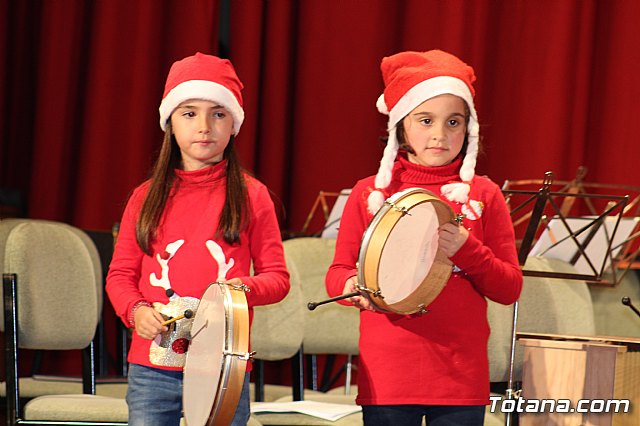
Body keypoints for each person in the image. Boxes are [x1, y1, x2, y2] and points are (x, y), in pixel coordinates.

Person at [325, 49, 523, 425]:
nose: (440, 134)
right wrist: (357, 287)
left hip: (460, 378)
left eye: (454, 122)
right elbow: (337, 273)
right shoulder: (370, 193)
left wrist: (467, 250)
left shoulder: (485, 194)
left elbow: (510, 287)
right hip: (388, 376)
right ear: (401, 125)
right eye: (426, 120)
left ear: (469, 128)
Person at [106, 52, 290, 426]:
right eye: (189, 113)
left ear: (234, 124)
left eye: (218, 113)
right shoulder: (144, 197)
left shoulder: (253, 195)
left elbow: (277, 278)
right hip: (153, 366)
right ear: (169, 123)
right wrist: (137, 311)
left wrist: (240, 290)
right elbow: (120, 275)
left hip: (223, 363)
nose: (204, 126)